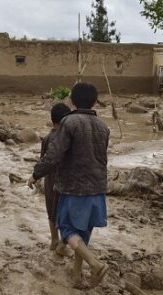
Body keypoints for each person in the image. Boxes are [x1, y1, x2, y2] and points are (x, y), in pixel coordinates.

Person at [28, 82, 110, 288]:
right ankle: (76, 275)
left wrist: (36, 174)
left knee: (66, 231)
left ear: (72, 101)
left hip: (74, 189)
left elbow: (54, 154)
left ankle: (95, 264)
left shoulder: (69, 122)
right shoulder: (103, 127)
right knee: (83, 234)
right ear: (94, 101)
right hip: (98, 189)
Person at [41, 102, 73, 257]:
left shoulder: (47, 138)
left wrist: (36, 176)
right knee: (64, 213)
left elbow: (43, 160)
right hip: (64, 181)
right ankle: (62, 243)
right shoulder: (67, 138)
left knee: (52, 212)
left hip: (49, 180)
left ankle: (54, 239)